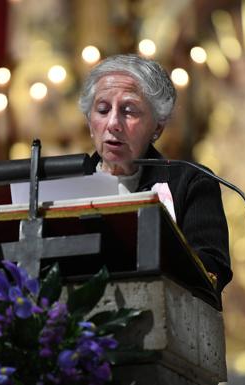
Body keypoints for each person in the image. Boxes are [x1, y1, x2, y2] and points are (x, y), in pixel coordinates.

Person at [78, 54, 233, 291]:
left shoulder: (191, 182)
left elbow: (213, 269)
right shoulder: (64, 182)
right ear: (90, 122)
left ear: (157, 127)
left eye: (129, 111)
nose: (113, 123)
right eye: (102, 109)